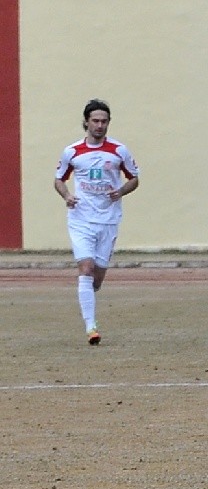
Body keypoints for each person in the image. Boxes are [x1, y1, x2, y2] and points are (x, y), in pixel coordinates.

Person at [54, 99, 140, 345]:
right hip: (81, 219)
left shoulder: (119, 151)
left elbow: (134, 178)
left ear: (108, 123)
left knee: (97, 278)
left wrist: (121, 191)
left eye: (104, 121)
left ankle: (88, 299)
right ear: (86, 122)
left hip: (108, 219)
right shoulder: (72, 152)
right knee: (86, 268)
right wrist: (68, 196)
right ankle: (91, 327)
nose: (100, 125)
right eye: (95, 121)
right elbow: (59, 180)